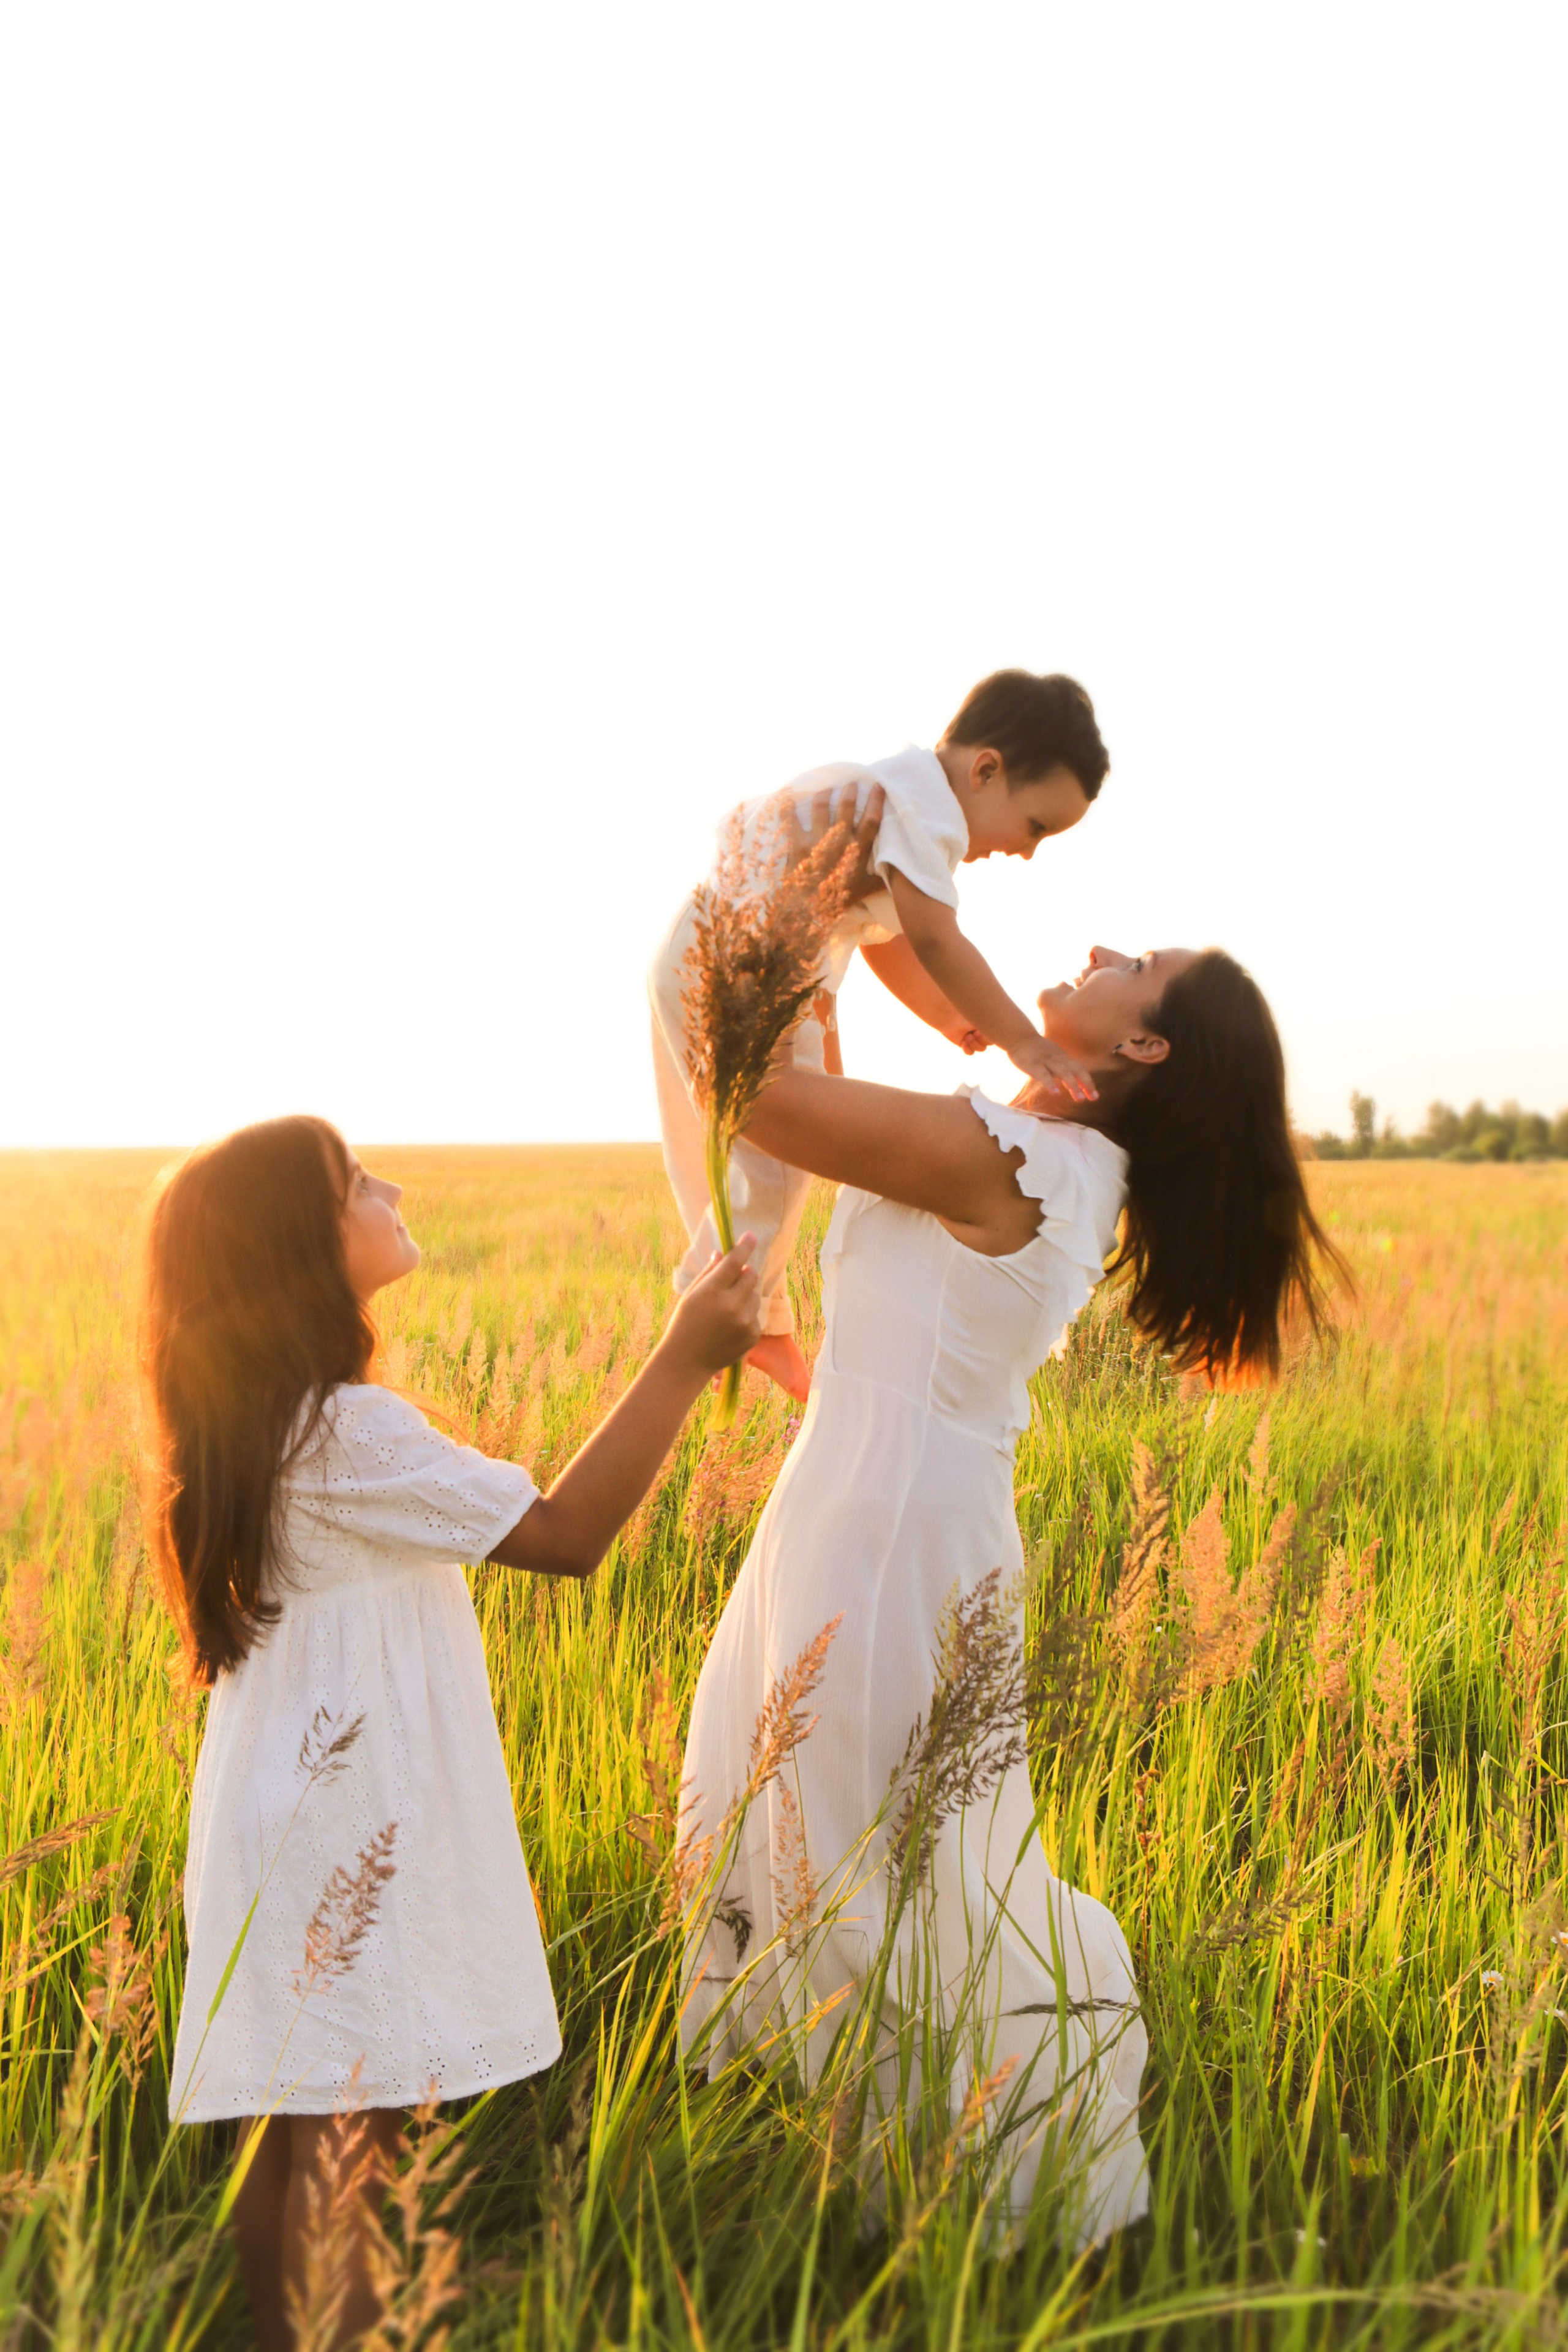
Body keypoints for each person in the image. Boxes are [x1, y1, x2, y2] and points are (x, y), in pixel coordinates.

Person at [677, 941, 1340, 2243]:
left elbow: (752, 1099)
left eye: (1134, 964)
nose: (1098, 950)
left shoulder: (1026, 1161)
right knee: (835, 1832)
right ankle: (847, 2172)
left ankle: (934, 2197)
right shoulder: (1023, 1144)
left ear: (1140, 1048)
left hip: (886, 1534)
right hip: (863, 1501)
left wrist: (748, 921)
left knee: (870, 1856)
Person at [141, 1118, 758, 2352]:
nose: (393, 1186)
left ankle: (300, 2335)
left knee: (309, 2125)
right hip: (334, 1821)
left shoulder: (281, 1421)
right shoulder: (340, 1432)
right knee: (340, 2137)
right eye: (358, 1182)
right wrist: (685, 1353)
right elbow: (566, 1533)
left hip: (290, 1807)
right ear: (298, 1248)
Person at [648, 669, 1111, 1406]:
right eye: (1036, 827)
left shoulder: (898, 801)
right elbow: (932, 936)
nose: (1027, 853)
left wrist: (944, 1017)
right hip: (744, 964)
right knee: (777, 1164)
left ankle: (744, 1303)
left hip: (711, 943)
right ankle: (730, 1310)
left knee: (734, 1150)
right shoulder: (925, 812)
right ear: (986, 769)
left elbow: (884, 938)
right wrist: (1022, 1040)